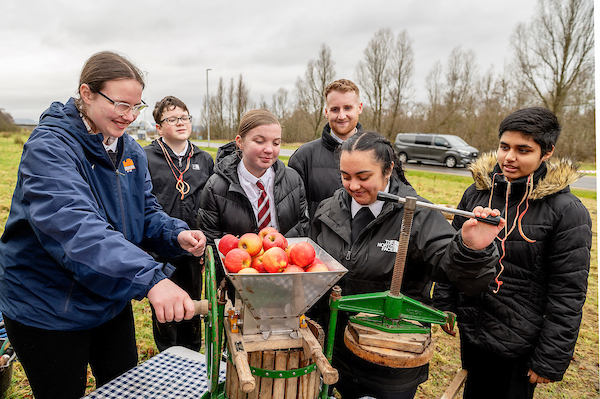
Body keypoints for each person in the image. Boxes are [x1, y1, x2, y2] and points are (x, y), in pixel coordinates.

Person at [0, 51, 206, 399]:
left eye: (136, 107)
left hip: (108, 295)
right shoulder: (49, 148)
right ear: (87, 94)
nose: (129, 116)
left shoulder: (130, 151)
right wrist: (151, 278)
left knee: (124, 386)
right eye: (121, 105)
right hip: (49, 305)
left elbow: (144, 212)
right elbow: (75, 229)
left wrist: (175, 233)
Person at [309, 131, 506, 399]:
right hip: (335, 352)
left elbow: (461, 276)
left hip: (390, 360)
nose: (353, 186)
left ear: (388, 169)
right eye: (345, 176)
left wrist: (472, 249)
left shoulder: (419, 215)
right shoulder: (328, 209)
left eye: (363, 177)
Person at [433, 107, 592, 399]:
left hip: (521, 343)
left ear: (547, 152)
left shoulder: (567, 212)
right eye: (504, 147)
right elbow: (451, 254)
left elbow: (568, 293)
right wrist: (446, 304)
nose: (509, 157)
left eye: (523, 150)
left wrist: (549, 358)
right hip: (474, 330)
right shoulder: (477, 194)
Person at [144, 96, 214, 352]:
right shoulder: (146, 158)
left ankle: (193, 354)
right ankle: (168, 355)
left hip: (195, 249)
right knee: (166, 313)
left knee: (193, 309)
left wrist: (208, 244)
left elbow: (211, 206)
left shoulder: (204, 159)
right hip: (161, 249)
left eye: (184, 117)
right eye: (172, 119)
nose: (181, 123)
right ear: (159, 128)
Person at [289, 78, 363, 220]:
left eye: (348, 108)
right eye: (335, 109)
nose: (341, 116)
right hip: (318, 240)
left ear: (359, 107)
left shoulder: (378, 153)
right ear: (326, 112)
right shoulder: (303, 157)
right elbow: (293, 213)